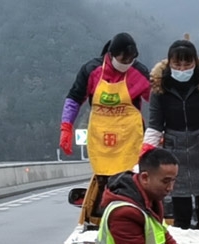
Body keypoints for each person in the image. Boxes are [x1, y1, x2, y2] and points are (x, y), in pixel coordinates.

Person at [60, 32, 151, 213]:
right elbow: (74, 99)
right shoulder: (91, 70)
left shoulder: (139, 72)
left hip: (130, 139)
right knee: (104, 181)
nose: (126, 63)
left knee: (129, 182)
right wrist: (66, 126)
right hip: (100, 139)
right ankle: (106, 214)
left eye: (131, 60)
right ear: (111, 54)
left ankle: (131, 214)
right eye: (123, 59)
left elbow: (157, 101)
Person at [142, 38, 199, 229]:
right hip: (174, 156)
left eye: (187, 63)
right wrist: (145, 157)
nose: (182, 68)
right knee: (180, 220)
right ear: (169, 63)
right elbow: (155, 126)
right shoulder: (159, 88)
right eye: (177, 63)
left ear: (195, 62)